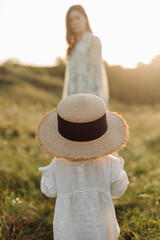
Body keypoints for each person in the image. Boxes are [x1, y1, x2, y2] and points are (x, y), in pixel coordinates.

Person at [36, 93, 129, 240]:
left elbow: (49, 190)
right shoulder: (110, 163)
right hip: (103, 230)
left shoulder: (57, 164)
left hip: (67, 232)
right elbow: (118, 191)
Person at [62, 5, 109, 108]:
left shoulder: (92, 41)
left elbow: (97, 72)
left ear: (85, 19)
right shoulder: (72, 46)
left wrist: (97, 101)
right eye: (71, 20)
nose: (74, 22)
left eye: (77, 18)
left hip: (89, 95)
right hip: (72, 95)